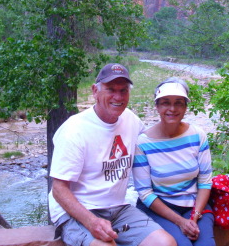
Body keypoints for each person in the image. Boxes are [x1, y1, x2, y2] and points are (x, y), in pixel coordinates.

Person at [49, 63, 176, 246]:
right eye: (110, 89)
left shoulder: (131, 120)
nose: (118, 97)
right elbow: (59, 189)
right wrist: (92, 222)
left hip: (118, 209)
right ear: (95, 91)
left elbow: (154, 148)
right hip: (77, 212)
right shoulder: (74, 130)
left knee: (165, 243)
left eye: (123, 90)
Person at [133, 77, 215, 246]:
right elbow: (145, 192)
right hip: (159, 208)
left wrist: (195, 216)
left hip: (195, 206)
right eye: (165, 103)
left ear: (185, 107)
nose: (172, 108)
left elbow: (205, 181)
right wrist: (180, 222)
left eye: (179, 103)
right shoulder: (143, 143)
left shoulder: (198, 136)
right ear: (157, 106)